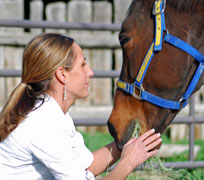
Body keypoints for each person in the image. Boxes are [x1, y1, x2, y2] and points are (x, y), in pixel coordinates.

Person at [0, 33, 162, 180]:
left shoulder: (53, 113)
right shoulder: (42, 124)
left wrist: (127, 143)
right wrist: (128, 163)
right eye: (83, 65)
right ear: (62, 74)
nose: (90, 72)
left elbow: (87, 167)